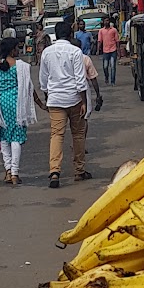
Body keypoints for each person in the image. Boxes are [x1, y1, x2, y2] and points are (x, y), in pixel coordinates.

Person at [38, 21, 92, 189]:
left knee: (56, 135)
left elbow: (43, 80)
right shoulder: (76, 51)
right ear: (71, 34)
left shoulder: (47, 52)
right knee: (78, 134)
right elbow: (80, 79)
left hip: (55, 100)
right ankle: (79, 170)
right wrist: (84, 101)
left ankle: (54, 171)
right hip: (74, 99)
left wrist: (48, 98)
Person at [0, 36, 42, 185]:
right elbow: (29, 88)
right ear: (12, 50)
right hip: (17, 105)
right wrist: (40, 104)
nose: (18, 50)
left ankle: (8, 170)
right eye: (17, 48)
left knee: (4, 137)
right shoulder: (20, 66)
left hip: (0, 105)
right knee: (16, 137)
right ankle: (15, 173)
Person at [98, 16, 119, 85]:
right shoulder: (101, 31)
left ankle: (113, 81)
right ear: (103, 22)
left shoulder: (114, 30)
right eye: (105, 21)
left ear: (109, 22)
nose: (106, 22)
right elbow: (100, 41)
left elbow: (117, 41)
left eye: (107, 20)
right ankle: (106, 77)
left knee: (113, 66)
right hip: (105, 51)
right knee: (105, 66)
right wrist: (98, 50)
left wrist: (118, 51)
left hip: (113, 50)